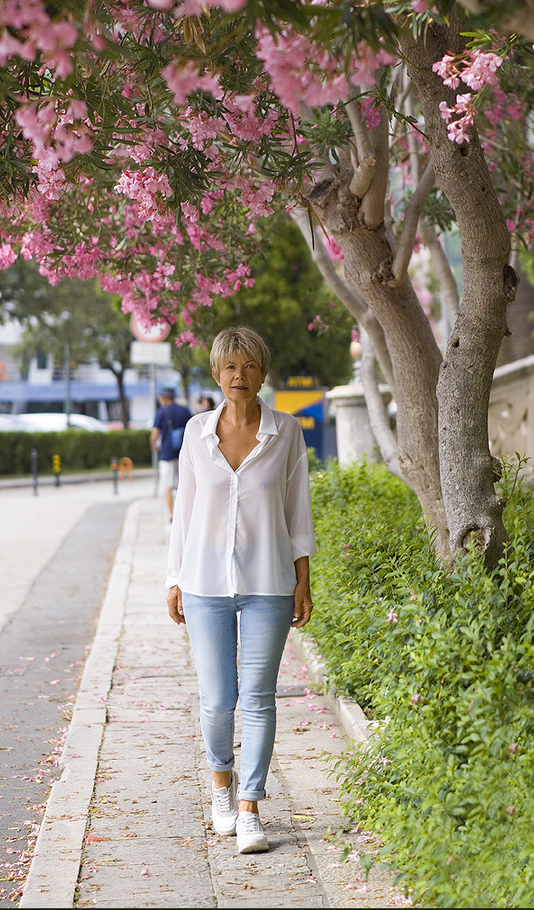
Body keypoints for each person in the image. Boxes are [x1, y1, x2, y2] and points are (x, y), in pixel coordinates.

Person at [166, 326, 315, 854]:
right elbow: (184, 511)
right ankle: (221, 789)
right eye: (230, 367)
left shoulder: (286, 432)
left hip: (268, 583)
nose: (239, 376)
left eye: (249, 366)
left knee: (257, 698)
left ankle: (251, 808)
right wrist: (174, 577)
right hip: (204, 582)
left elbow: (298, 510)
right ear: (215, 374)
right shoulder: (194, 432)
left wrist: (302, 580)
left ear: (263, 372)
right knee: (217, 700)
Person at [150, 386, 192, 520]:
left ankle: (171, 514)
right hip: (184, 451)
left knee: (168, 485)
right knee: (184, 483)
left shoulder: (161, 412)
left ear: (162, 397)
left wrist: (153, 445)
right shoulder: (185, 410)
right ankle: (184, 513)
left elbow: (155, 434)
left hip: (167, 453)